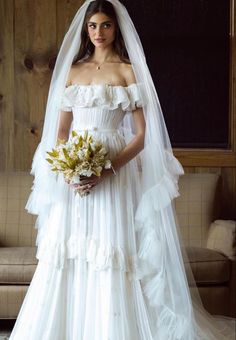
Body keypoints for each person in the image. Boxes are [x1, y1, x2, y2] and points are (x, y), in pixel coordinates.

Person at [9, 0, 235, 339]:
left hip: (114, 170)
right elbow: (60, 131)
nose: (99, 33)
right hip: (76, 169)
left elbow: (143, 136)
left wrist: (106, 170)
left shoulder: (129, 70)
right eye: (93, 26)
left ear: (117, 29)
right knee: (71, 249)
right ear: (85, 31)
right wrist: (69, 168)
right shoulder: (73, 70)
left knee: (111, 248)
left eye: (106, 25)